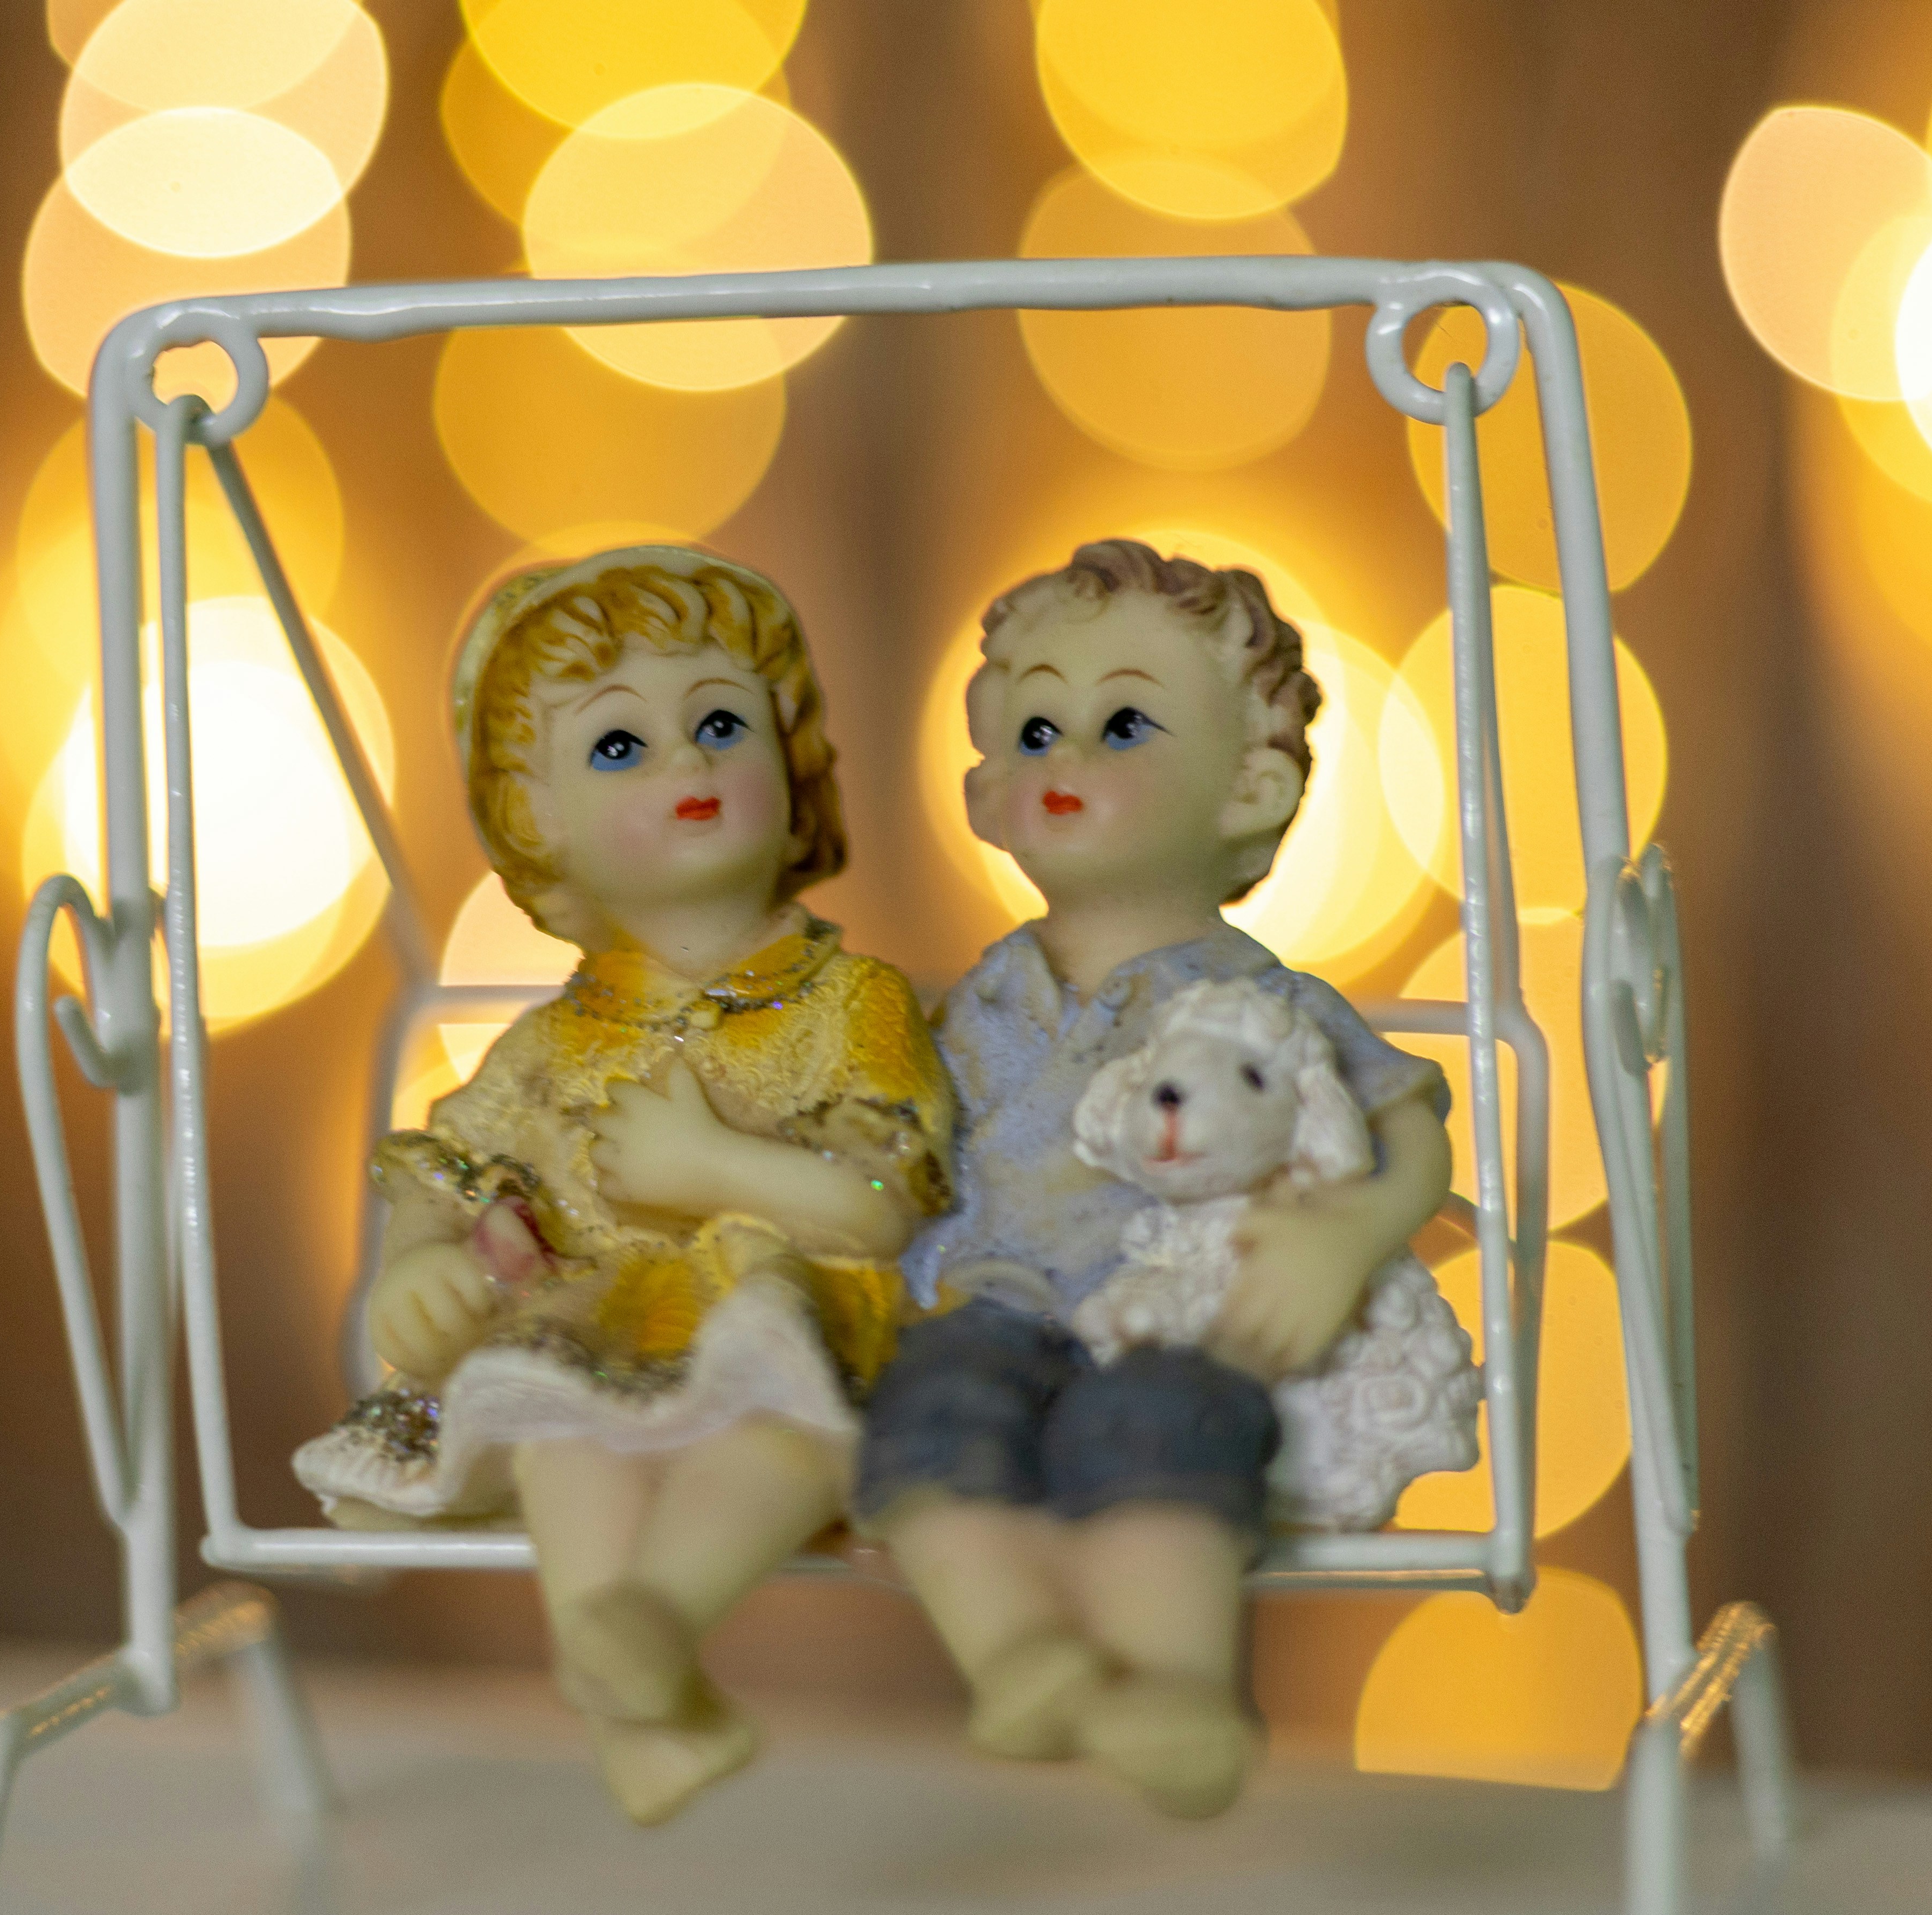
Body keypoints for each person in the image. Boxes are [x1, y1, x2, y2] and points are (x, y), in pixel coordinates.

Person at [294, 545, 953, 1825]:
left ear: (788, 756)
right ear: (539, 821)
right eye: (618, 748)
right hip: (609, 1326)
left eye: (719, 723)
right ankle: (632, 1706)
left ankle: (656, 1615)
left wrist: (713, 1170)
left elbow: (883, 1201)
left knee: (783, 1420)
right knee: (547, 1417)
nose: (687, 764)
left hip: (794, 1314)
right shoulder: (556, 1042)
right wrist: (420, 1257)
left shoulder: (850, 1001)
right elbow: (452, 1156)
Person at [858, 539, 1452, 1817]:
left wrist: (1344, 1236)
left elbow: (1409, 1126)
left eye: (1120, 723)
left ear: (1246, 783)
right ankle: (1021, 1652)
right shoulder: (974, 1003)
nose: (1060, 758)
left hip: (1170, 1312)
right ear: (979, 792)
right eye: (1031, 727)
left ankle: (1174, 1683)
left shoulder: (1254, 1000)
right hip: (989, 1310)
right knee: (926, 1411)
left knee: (1164, 1426)